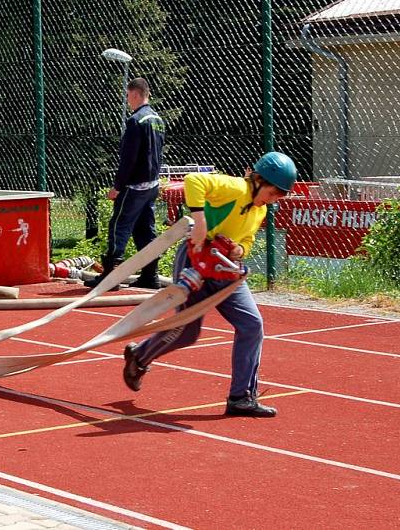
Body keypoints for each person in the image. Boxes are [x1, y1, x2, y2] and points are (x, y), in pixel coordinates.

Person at [121, 152, 298, 418]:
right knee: (187, 331)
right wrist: (200, 221)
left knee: (252, 325)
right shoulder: (236, 187)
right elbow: (194, 180)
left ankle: (241, 397)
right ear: (259, 180)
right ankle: (140, 357)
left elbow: (247, 239)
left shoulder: (259, 210)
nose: (273, 200)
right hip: (195, 259)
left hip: (225, 268)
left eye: (279, 197)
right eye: (273, 193)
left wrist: (240, 249)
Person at [84, 77, 165, 291]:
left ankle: (111, 277)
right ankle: (150, 275)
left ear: (136, 94)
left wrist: (117, 186)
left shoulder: (135, 120)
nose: (128, 100)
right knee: (145, 229)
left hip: (135, 186)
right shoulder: (157, 119)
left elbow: (128, 159)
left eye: (128, 96)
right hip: (152, 184)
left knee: (119, 227)